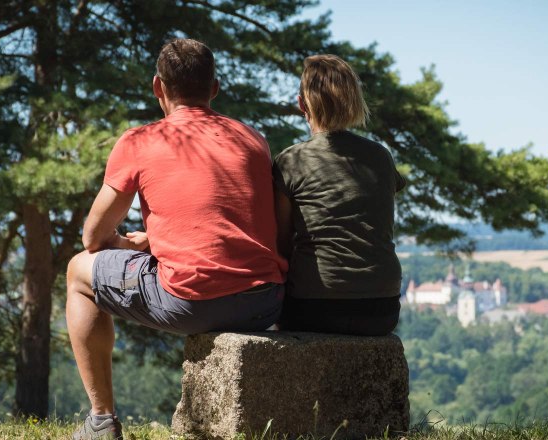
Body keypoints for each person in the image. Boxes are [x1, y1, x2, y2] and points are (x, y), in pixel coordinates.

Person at [65, 38, 287, 439]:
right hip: (264, 302)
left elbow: (93, 237)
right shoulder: (254, 139)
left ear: (158, 87)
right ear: (214, 89)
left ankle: (100, 421)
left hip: (191, 302)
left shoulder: (139, 141)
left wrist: (128, 245)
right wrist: (158, 237)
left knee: (79, 272)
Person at [272, 54, 405, 336]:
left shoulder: (290, 161)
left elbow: (281, 245)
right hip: (382, 310)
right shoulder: (381, 157)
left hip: (313, 308)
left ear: (301, 105)